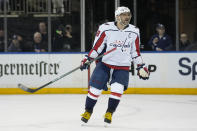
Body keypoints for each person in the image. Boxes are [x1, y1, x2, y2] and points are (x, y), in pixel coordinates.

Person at [80, 6, 150, 124]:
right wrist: (88, 58)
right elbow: (97, 47)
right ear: (117, 16)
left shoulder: (134, 31)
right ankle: (88, 111)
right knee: (95, 90)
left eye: (128, 14)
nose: (127, 17)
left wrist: (140, 66)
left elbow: (135, 52)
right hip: (105, 64)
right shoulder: (105, 28)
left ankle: (109, 112)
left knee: (118, 89)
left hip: (122, 66)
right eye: (124, 15)